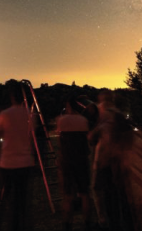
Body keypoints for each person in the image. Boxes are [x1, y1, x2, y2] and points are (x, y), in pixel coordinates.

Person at [0, 81, 35, 231]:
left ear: (11, 97)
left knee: (2, 198)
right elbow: (30, 135)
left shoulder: (4, 115)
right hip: (25, 162)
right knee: (21, 199)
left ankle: (1, 224)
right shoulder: (30, 115)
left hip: (8, 163)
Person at [88, 91, 135, 231]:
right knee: (121, 194)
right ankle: (127, 223)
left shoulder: (106, 113)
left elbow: (99, 136)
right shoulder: (119, 115)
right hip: (120, 160)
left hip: (107, 161)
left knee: (107, 194)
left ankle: (108, 222)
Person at [57, 95, 91, 231]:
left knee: (67, 195)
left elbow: (61, 142)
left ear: (69, 106)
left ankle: (68, 223)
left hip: (67, 161)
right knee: (84, 194)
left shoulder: (62, 120)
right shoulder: (84, 121)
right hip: (82, 160)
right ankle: (87, 222)